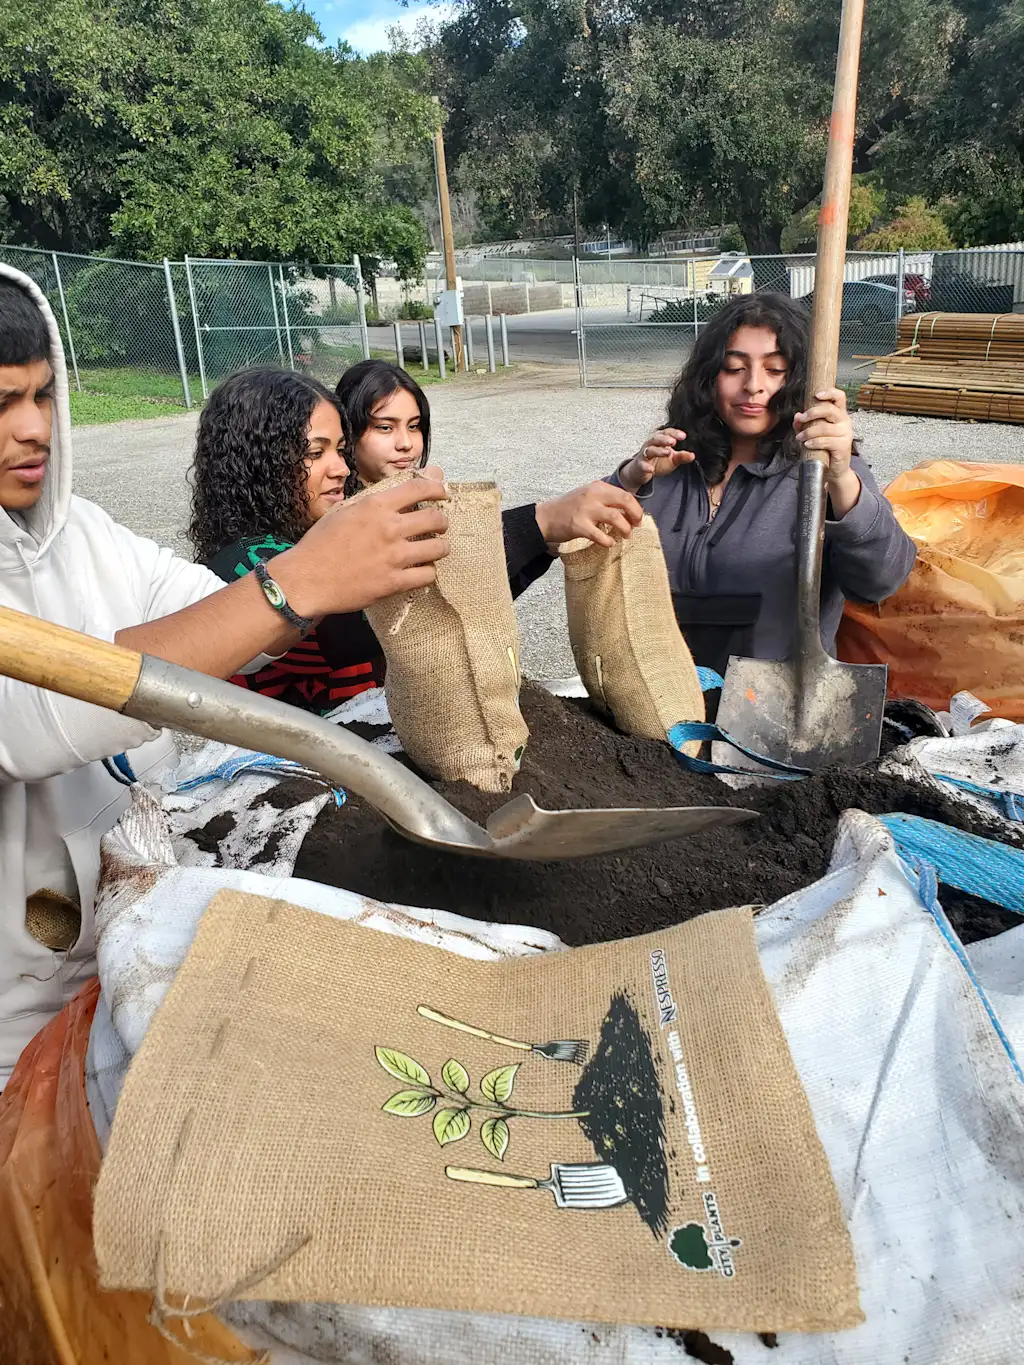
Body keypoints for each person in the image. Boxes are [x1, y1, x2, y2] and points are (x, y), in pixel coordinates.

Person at [0, 264, 450, 1089]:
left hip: (128, 933)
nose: (33, 429)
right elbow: (42, 716)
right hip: (10, 1011)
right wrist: (299, 581)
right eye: (2, 403)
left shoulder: (83, 533)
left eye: (43, 395)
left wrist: (332, 568)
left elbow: (214, 616)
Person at [191, 363, 642, 714]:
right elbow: (363, 631)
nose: (342, 469)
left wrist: (540, 544)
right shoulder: (244, 562)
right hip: (297, 776)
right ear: (256, 462)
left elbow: (451, 596)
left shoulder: (320, 530)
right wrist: (534, 523)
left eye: (341, 451)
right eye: (315, 453)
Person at [610, 292, 916, 681]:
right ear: (708, 377)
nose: (753, 386)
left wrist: (840, 480)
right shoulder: (670, 463)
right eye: (734, 368)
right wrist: (630, 480)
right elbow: (585, 545)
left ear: (800, 380)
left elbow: (881, 581)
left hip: (770, 711)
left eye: (775, 370)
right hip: (657, 697)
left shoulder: (821, 474)